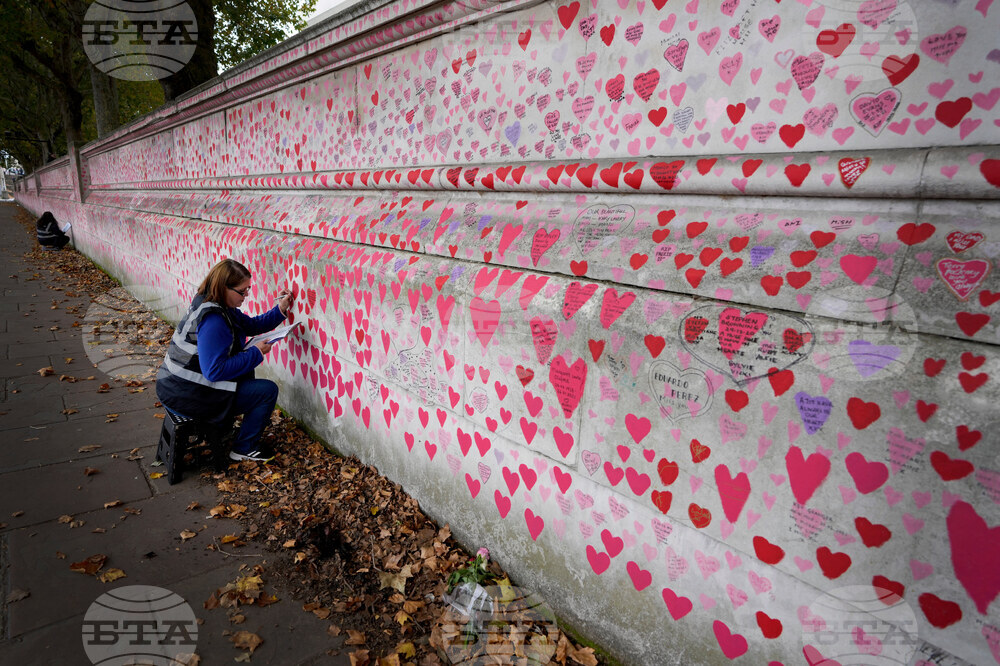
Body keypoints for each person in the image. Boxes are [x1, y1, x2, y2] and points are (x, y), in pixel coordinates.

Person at [156, 258, 295, 461]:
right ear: (224, 287)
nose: (247, 295)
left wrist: (280, 309)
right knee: (267, 391)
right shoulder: (214, 321)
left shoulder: (213, 303)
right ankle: (244, 448)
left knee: (245, 369)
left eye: (248, 289)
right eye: (242, 291)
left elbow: (251, 325)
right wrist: (255, 353)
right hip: (186, 395)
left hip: (176, 386)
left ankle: (224, 427)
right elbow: (214, 372)